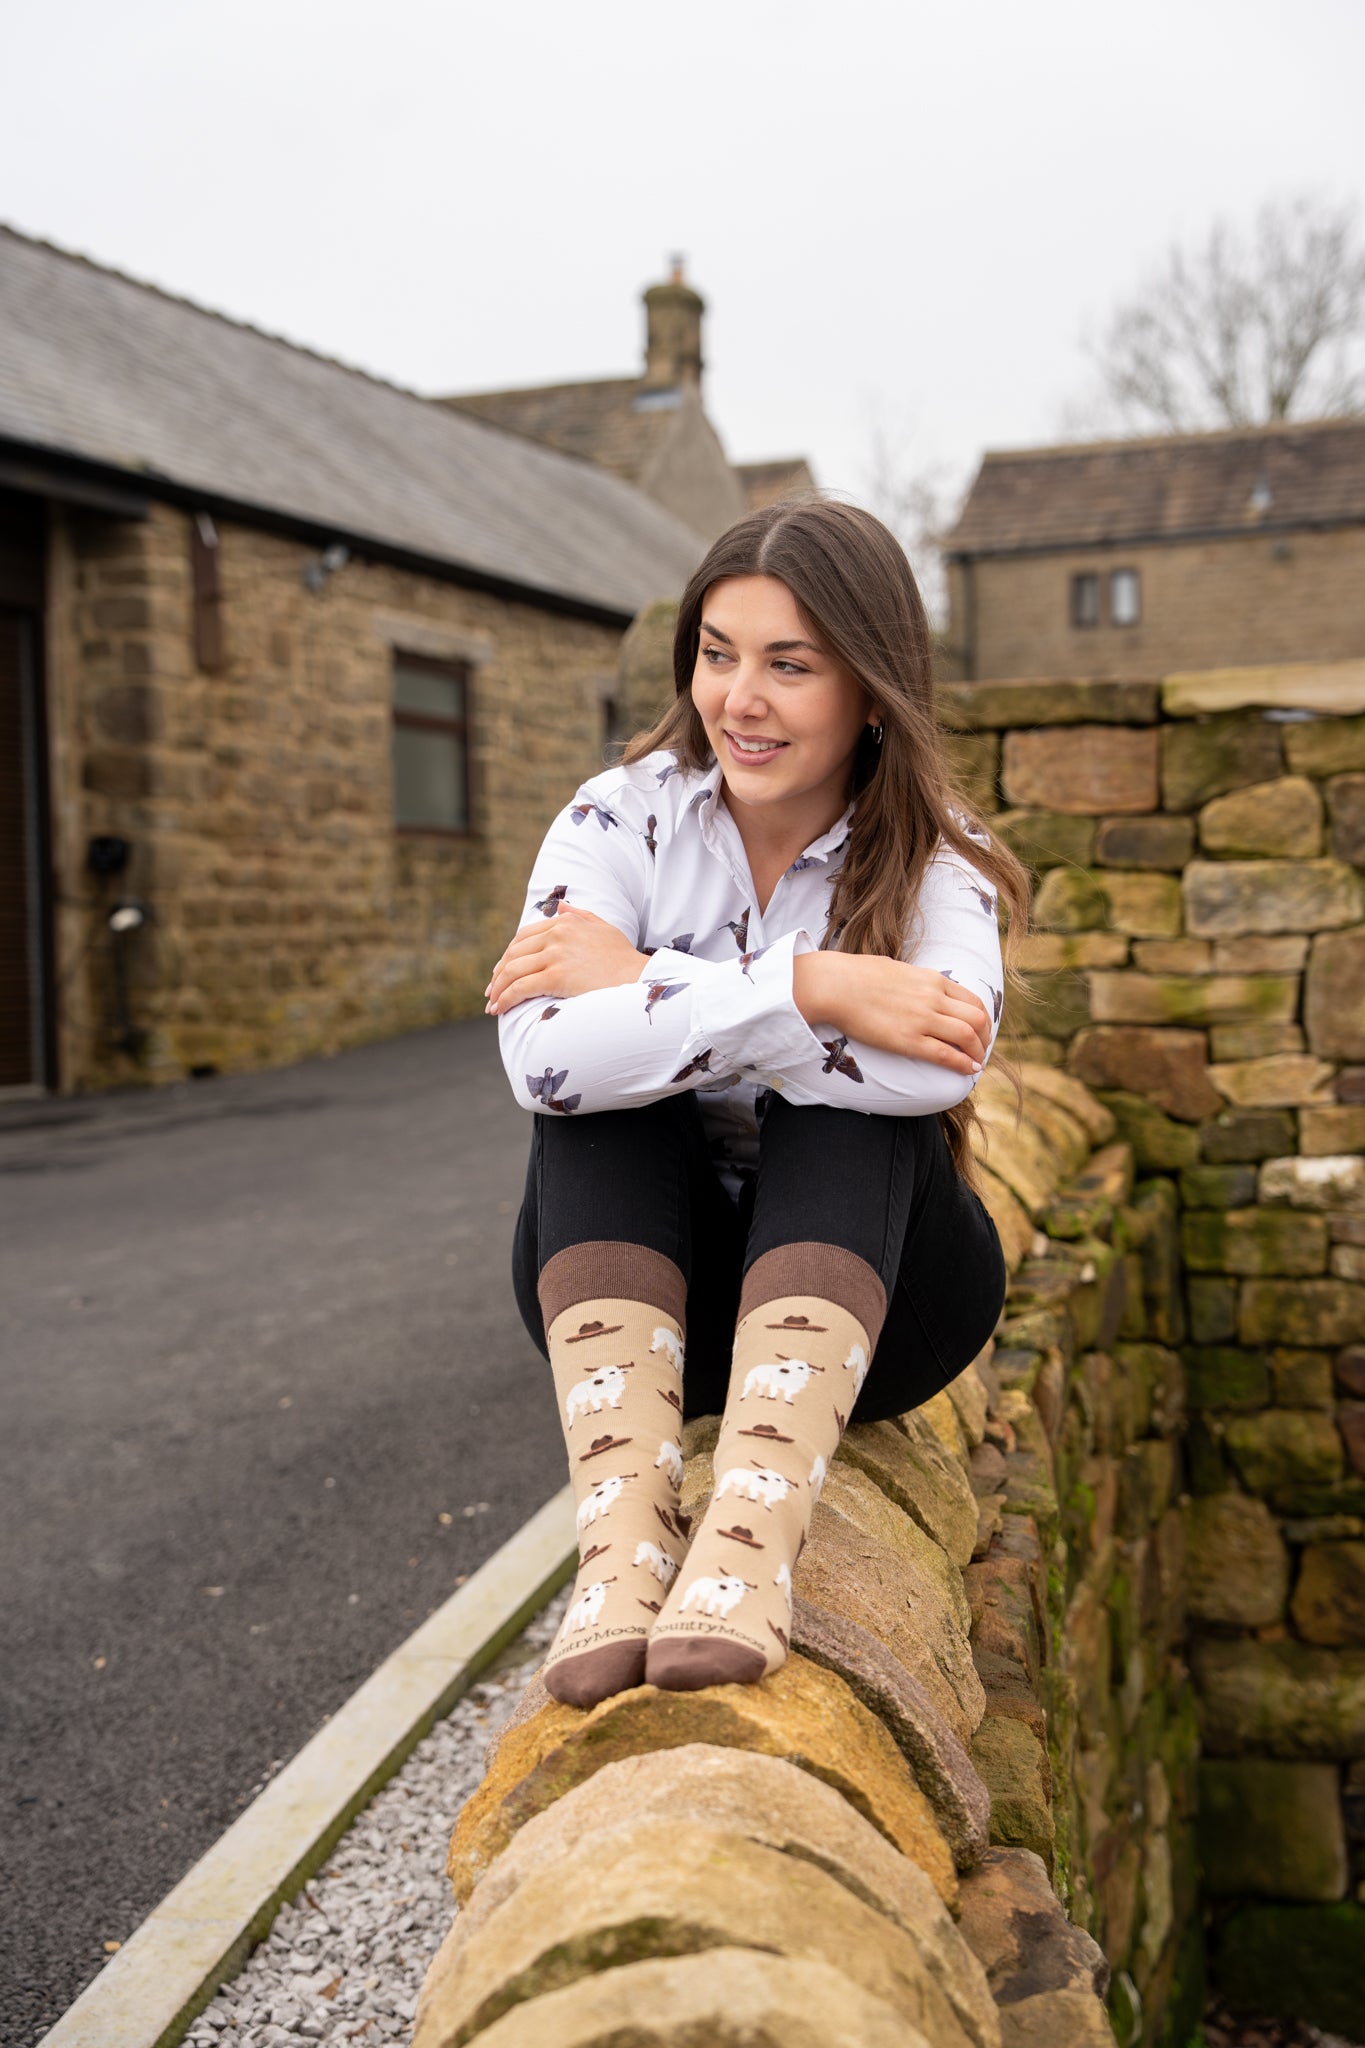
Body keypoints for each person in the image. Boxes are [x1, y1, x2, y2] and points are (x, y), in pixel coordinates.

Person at [485, 499, 1027, 1710]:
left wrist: (651, 985)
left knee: (849, 1107)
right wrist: (818, 987)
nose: (741, 697)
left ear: (873, 690)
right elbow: (545, 1059)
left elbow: (939, 1063)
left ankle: (749, 1545)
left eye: (790, 664)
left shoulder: (942, 857)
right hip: (660, 1304)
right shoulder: (617, 815)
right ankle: (622, 1552)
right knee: (604, 1104)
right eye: (718, 653)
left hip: (889, 1311)